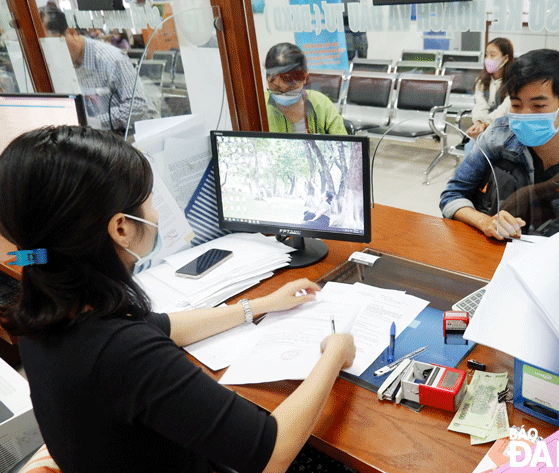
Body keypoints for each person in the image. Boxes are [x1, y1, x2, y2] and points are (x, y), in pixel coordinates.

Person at [0, 126, 356, 473]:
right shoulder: (122, 352)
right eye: (150, 201)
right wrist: (334, 354)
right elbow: (272, 453)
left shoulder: (44, 306)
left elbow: (161, 326)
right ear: (121, 227)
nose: (155, 214)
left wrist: (261, 305)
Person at [440, 49, 559, 240]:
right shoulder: (498, 136)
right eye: (516, 105)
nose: (524, 115)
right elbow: (452, 195)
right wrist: (485, 221)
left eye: (538, 106)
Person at [40, 6, 158, 133]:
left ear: (71, 32)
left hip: (136, 131)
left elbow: (138, 107)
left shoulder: (112, 59)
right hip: (103, 133)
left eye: (56, 45)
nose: (53, 53)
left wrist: (89, 122)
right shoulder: (65, 65)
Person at [265, 42, 347, 134]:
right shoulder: (259, 107)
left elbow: (345, 145)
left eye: (291, 89)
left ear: (305, 78)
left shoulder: (321, 105)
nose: (284, 95)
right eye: (276, 89)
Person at [465, 37, 514, 141]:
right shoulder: (481, 81)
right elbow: (480, 105)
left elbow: (505, 109)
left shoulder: (514, 82)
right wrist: (478, 122)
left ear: (505, 58)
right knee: (471, 146)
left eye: (493, 55)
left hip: (506, 129)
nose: (488, 59)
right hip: (485, 129)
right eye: (486, 55)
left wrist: (486, 123)